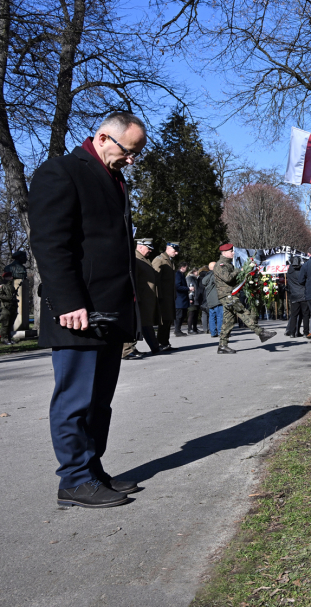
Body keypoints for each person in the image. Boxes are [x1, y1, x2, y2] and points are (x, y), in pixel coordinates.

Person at [28, 111, 147, 508]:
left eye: (136, 155)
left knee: (100, 400)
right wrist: (68, 302)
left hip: (110, 310)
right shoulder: (61, 172)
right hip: (78, 311)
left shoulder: (114, 179)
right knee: (75, 399)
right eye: (129, 152)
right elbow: (49, 243)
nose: (132, 160)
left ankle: (92, 469)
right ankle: (74, 480)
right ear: (102, 138)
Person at [213, 243, 276, 353]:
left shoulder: (228, 264)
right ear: (224, 253)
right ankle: (261, 333)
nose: (233, 253)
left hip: (230, 294)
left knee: (228, 321)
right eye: (231, 251)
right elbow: (227, 278)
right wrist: (239, 271)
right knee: (243, 312)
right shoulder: (220, 265)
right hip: (227, 295)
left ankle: (222, 346)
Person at [122, 238, 160, 360]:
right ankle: (127, 350)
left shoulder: (143, 259)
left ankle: (154, 346)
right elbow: (134, 279)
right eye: (148, 248)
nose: (150, 251)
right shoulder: (135, 258)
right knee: (134, 324)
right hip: (140, 297)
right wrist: (135, 296)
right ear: (140, 246)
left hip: (145, 298)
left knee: (145, 323)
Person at [151, 241, 179, 350]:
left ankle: (165, 342)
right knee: (163, 320)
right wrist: (158, 296)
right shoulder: (160, 260)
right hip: (163, 297)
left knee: (168, 320)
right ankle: (161, 343)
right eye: (174, 250)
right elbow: (155, 279)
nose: (176, 253)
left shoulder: (169, 261)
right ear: (168, 248)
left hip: (169, 297)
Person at [285, 256, 309, 337]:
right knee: (305, 314)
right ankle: (306, 332)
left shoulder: (289, 271)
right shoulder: (302, 271)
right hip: (303, 294)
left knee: (294, 315)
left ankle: (292, 332)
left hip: (294, 295)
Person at [203, 260, 222, 337]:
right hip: (217, 299)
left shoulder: (206, 277)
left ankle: (213, 332)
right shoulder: (215, 276)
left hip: (210, 299)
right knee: (220, 316)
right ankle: (221, 332)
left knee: (212, 317)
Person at [173, 263, 190, 336]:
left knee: (183, 314)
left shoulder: (181, 275)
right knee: (179, 315)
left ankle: (178, 329)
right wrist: (188, 288)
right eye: (186, 267)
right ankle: (177, 330)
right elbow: (177, 286)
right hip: (179, 298)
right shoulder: (178, 275)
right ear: (182, 267)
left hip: (182, 298)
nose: (187, 269)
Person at [0, 271, 16, 344]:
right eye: (9, 276)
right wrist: (9, 298)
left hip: (12, 307)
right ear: (6, 277)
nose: (11, 278)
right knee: (5, 324)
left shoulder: (11, 286)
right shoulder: (2, 285)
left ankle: (9, 338)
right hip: (5, 307)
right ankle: (4, 339)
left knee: (10, 324)